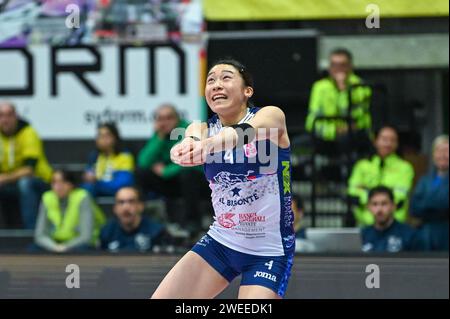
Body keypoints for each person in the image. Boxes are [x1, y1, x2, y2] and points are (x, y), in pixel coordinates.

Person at [152, 59, 295, 299]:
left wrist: (208, 145)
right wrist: (182, 149)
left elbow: (244, 133)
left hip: (268, 249)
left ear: (247, 91)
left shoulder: (270, 116)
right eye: (211, 80)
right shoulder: (200, 128)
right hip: (221, 243)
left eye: (226, 78)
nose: (216, 84)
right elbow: (190, 139)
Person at [136, 104, 211, 235]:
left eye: (169, 118)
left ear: (177, 118)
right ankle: (149, 215)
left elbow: (192, 160)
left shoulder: (189, 130)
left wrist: (165, 171)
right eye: (160, 119)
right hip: (174, 183)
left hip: (198, 181)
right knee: (142, 172)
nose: (164, 122)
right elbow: (143, 162)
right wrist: (159, 138)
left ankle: (193, 223)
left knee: (188, 174)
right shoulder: (160, 134)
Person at [305, 48, 372, 155]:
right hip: (326, 137)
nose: (338, 69)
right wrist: (334, 131)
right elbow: (311, 121)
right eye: (334, 65)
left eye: (342, 65)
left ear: (351, 67)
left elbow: (360, 119)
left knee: (346, 140)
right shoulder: (319, 87)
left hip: (354, 135)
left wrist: (343, 91)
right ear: (329, 68)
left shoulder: (361, 87)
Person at [348, 126, 415, 227]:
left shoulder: (405, 168)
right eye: (384, 139)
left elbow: (400, 197)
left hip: (394, 226)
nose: (388, 144)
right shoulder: (361, 165)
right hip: (365, 225)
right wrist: (384, 199)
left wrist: (366, 193)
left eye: (392, 140)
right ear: (375, 141)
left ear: (397, 144)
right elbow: (353, 193)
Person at [0, 102, 52, 229]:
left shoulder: (29, 133)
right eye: (1, 116)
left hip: (40, 181)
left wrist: (4, 178)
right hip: (10, 182)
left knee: (25, 183)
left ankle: (30, 232)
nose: (5, 120)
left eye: (9, 115)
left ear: (16, 116)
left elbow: (29, 170)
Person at [33, 170, 106, 253]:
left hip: (80, 243)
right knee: (34, 249)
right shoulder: (47, 198)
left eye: (62, 182)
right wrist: (54, 247)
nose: (58, 186)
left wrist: (65, 247)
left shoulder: (82, 197)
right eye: (54, 182)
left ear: (71, 184)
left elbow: (86, 237)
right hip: (56, 243)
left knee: (83, 249)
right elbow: (39, 235)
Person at [410, 135, 449, 251]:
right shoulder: (424, 180)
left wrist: (427, 202)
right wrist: (439, 201)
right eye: (438, 151)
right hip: (426, 234)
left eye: (446, 151)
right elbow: (414, 208)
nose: (442, 155)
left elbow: (445, 205)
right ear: (433, 155)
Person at [100, 186, 166, 253]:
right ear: (115, 208)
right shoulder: (106, 232)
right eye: (121, 202)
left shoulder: (156, 231)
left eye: (131, 201)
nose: (126, 207)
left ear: (141, 206)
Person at [361, 186, 423, 252]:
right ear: (368, 207)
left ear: (393, 206)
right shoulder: (362, 236)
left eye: (384, 204)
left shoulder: (409, 235)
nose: (379, 209)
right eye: (375, 204)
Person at [82, 122, 134, 197]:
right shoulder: (94, 156)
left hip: (117, 194)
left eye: (105, 136)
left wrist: (96, 183)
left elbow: (122, 184)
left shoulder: (124, 156)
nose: (101, 139)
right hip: (96, 192)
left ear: (114, 138)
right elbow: (88, 176)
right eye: (99, 136)